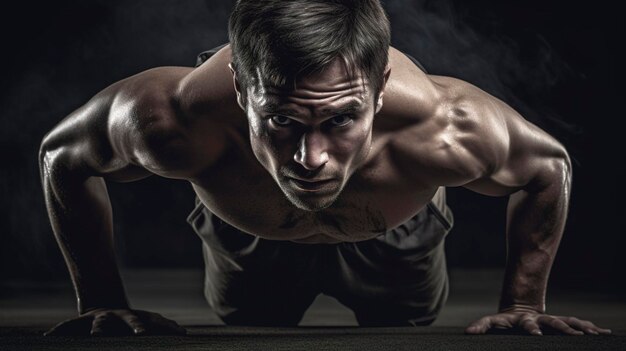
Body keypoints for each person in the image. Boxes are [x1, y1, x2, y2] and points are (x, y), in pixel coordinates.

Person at [39, 0, 611, 336]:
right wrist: (100, 300)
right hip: (248, 238)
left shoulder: (447, 124)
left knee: (402, 327)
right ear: (242, 88)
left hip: (397, 241)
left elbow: (547, 167)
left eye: (339, 121)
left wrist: (521, 305)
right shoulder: (173, 115)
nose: (309, 160)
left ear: (380, 89)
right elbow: (61, 157)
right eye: (282, 121)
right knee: (249, 326)